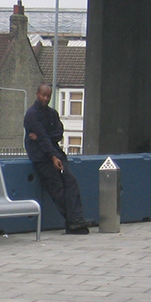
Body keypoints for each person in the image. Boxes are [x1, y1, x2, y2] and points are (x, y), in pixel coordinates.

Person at [24, 84, 89, 234]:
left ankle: (76, 220)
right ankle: (73, 221)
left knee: (71, 183)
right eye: (43, 95)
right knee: (57, 189)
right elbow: (44, 140)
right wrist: (51, 153)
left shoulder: (52, 113)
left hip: (56, 154)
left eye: (48, 96)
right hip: (42, 157)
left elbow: (58, 133)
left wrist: (42, 135)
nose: (45, 99)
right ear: (37, 94)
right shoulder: (32, 115)